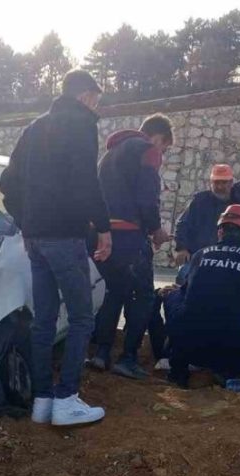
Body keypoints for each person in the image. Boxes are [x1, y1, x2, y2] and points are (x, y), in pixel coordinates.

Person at [0, 69, 111, 427]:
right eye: (96, 99)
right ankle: (67, 399)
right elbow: (87, 182)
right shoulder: (81, 124)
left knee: (43, 321)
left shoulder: (33, 129)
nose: (96, 106)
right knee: (81, 317)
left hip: (35, 239)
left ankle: (43, 401)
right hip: (65, 236)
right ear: (85, 96)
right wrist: (104, 228)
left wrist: (26, 220)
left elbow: (7, 183)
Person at [91, 114, 175, 379]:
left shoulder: (109, 155)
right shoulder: (147, 151)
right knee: (143, 297)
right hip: (130, 236)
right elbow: (146, 198)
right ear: (157, 137)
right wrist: (156, 230)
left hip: (102, 235)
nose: (162, 153)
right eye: (165, 147)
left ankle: (101, 352)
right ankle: (128, 357)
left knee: (114, 292)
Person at [165, 204, 240, 388]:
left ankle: (177, 369)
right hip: (228, 352)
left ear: (220, 232)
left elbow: (185, 294)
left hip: (190, 348)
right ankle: (228, 371)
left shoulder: (199, 255)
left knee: (173, 296)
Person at [173, 164, 235, 264]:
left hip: (228, 259)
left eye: (224, 182)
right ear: (210, 183)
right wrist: (182, 249)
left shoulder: (239, 202)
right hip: (198, 257)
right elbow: (183, 224)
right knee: (183, 276)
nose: (220, 186)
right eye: (216, 182)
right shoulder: (199, 201)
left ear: (231, 182)